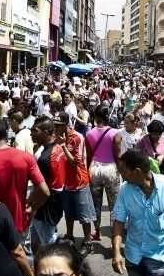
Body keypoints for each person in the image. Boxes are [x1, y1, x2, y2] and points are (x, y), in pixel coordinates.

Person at [0, 118, 51, 264]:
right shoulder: (26, 158)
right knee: (24, 256)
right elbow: (45, 191)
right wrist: (33, 208)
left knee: (0, 260)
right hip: (20, 218)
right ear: (6, 134)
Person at [53, 112, 97, 255]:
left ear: (65, 125)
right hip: (65, 182)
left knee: (84, 215)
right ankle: (70, 236)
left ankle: (88, 242)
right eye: (54, 124)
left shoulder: (77, 137)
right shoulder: (54, 136)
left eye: (58, 125)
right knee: (69, 212)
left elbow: (73, 162)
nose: (55, 127)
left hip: (79, 181)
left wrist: (63, 146)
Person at [85, 107, 121, 242]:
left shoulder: (89, 133)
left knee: (96, 203)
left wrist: (87, 170)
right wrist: (122, 171)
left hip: (94, 168)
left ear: (96, 117)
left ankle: (98, 232)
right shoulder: (115, 133)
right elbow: (118, 156)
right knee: (114, 205)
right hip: (111, 169)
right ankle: (114, 238)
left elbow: (88, 156)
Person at [30, 116, 65, 250]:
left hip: (45, 208)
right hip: (56, 202)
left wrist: (31, 205)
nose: (32, 134)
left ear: (46, 132)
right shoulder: (58, 149)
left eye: (35, 131)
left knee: (49, 246)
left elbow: (42, 189)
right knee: (37, 241)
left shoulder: (44, 159)